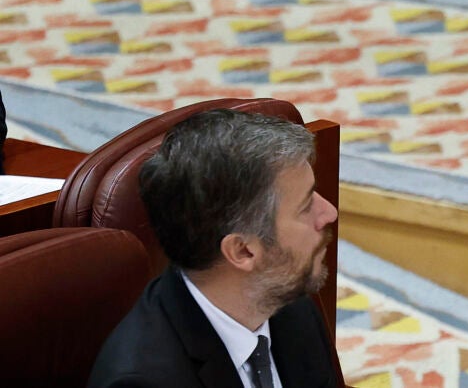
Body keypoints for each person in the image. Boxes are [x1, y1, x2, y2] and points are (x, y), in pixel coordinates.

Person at [89, 109, 350, 388]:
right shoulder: (144, 381)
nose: (329, 212)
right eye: (306, 205)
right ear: (242, 251)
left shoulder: (287, 303)